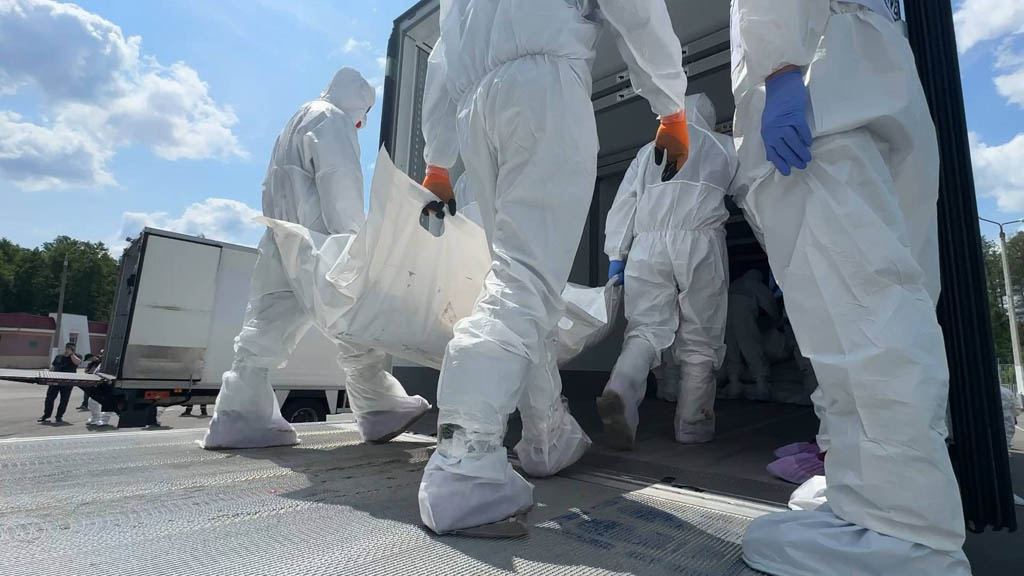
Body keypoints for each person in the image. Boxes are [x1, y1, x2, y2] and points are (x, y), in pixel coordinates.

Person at [417, 0, 691, 535]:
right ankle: (464, 462)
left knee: (519, 279)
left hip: (475, 110)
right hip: (542, 86)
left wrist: (438, 160)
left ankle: (546, 434)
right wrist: (670, 105)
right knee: (524, 280)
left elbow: (442, 57)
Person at [730, 2, 969, 574]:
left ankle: (905, 531)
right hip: (873, 68)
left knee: (855, 309)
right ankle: (869, 492)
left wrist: (780, 67)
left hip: (819, 79)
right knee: (892, 298)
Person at [202, 67, 431, 450]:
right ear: (359, 103)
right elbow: (340, 184)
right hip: (318, 239)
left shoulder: (295, 121)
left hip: (281, 238)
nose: (362, 124)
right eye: (364, 114)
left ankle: (238, 417)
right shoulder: (332, 119)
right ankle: (380, 409)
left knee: (265, 329)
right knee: (355, 318)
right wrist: (358, 247)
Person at [599, 93, 737, 447]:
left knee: (645, 328)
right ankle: (693, 424)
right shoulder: (722, 147)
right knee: (701, 335)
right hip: (700, 243)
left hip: (647, 246)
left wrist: (617, 254)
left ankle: (621, 386)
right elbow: (754, 195)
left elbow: (624, 203)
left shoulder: (648, 152)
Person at [721, 270, 778, 401]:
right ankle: (761, 384)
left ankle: (734, 383)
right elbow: (769, 302)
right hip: (743, 317)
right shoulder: (755, 284)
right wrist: (776, 318)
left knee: (731, 349)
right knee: (751, 347)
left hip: (725, 314)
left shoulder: (735, 284)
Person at [38, 342, 80, 424]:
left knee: (64, 400)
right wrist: (48, 375)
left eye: (71, 348)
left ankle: (59, 416)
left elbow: (77, 362)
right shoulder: (59, 356)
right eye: (67, 348)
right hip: (55, 380)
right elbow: (53, 367)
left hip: (67, 382)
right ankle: (46, 415)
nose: (68, 349)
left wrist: (71, 354)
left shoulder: (77, 356)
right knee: (49, 398)